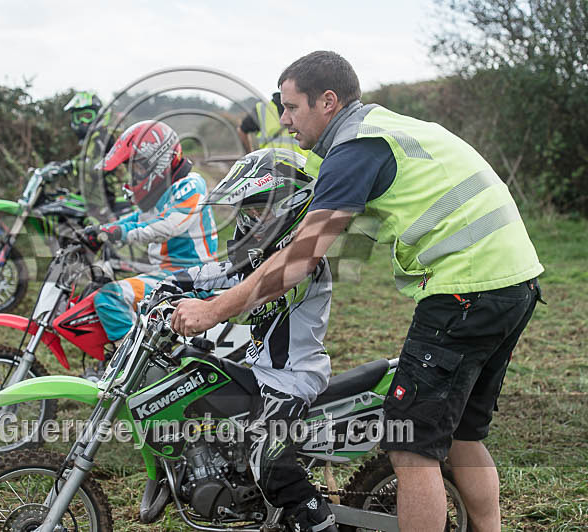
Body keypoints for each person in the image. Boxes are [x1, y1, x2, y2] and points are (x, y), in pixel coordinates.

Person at [172, 50, 544, 532]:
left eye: (291, 107)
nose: (284, 120)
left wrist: (212, 310)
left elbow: (300, 259)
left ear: (328, 101)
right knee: (463, 435)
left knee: (410, 446)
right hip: (514, 281)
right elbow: (288, 169)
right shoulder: (373, 129)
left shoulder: (355, 149)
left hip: (466, 289)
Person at [165, 148, 338, 531]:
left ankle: (319, 523)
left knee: (270, 463)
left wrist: (207, 308)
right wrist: (164, 285)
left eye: (257, 213)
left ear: (288, 210)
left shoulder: (304, 266)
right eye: (245, 212)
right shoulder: (260, 259)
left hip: (292, 379)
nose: (248, 221)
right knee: (192, 377)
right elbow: (215, 270)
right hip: (261, 373)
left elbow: (251, 293)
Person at [83, 120, 218, 346]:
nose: (132, 177)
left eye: (136, 169)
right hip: (170, 275)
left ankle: (130, 370)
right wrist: (101, 231)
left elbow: (169, 225)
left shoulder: (191, 185)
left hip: (191, 279)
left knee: (109, 298)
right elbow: (136, 219)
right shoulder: (163, 192)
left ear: (157, 161)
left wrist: (117, 233)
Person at [62, 91, 127, 218]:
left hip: (109, 197)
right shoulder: (91, 139)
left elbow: (99, 165)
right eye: (78, 117)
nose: (83, 121)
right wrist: (62, 166)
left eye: (87, 116)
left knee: (97, 232)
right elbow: (84, 160)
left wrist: (72, 165)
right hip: (93, 196)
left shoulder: (103, 137)